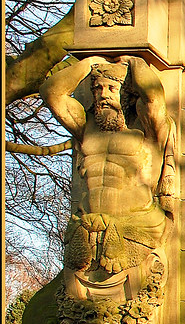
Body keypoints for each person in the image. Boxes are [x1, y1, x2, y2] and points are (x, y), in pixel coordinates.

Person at [40, 54, 176, 277]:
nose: (104, 95)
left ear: (127, 95)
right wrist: (88, 62)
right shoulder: (86, 129)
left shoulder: (146, 132)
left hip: (138, 226)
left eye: (112, 89)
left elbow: (153, 98)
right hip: (88, 227)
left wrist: (135, 61)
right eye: (98, 89)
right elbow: (51, 93)